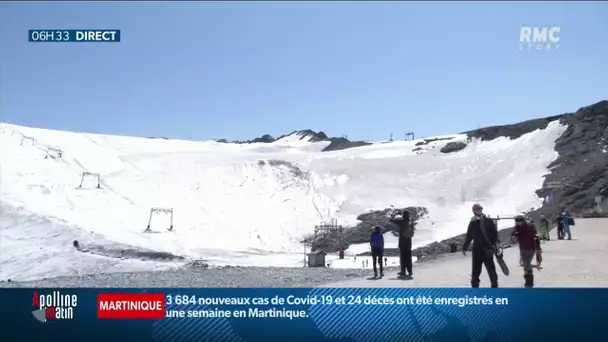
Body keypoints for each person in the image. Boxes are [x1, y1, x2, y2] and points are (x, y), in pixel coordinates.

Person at [462, 203, 499, 288]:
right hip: (477, 250)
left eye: (480, 208)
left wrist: (495, 245)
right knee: (475, 271)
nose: (479, 210)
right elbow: (469, 236)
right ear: (474, 211)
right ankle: (475, 290)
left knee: (491, 270)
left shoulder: (488, 221)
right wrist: (465, 247)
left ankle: (495, 288)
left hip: (487, 249)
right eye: (477, 209)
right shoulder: (472, 223)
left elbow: (494, 234)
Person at [510, 215, 539, 287]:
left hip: (531, 248)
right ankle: (529, 282)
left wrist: (538, 248)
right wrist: (513, 237)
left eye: (518, 222)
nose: (517, 223)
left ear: (522, 221)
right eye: (516, 222)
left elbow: (536, 236)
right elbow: (512, 236)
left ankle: (529, 282)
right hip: (523, 248)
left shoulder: (531, 226)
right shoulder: (517, 227)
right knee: (526, 264)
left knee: (527, 264)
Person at [388, 209, 414, 277]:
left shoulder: (402, 221)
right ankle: (410, 271)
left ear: (403, 215)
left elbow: (391, 220)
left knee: (403, 256)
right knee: (408, 257)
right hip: (409, 241)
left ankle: (403, 271)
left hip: (402, 241)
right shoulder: (410, 222)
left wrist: (394, 214)